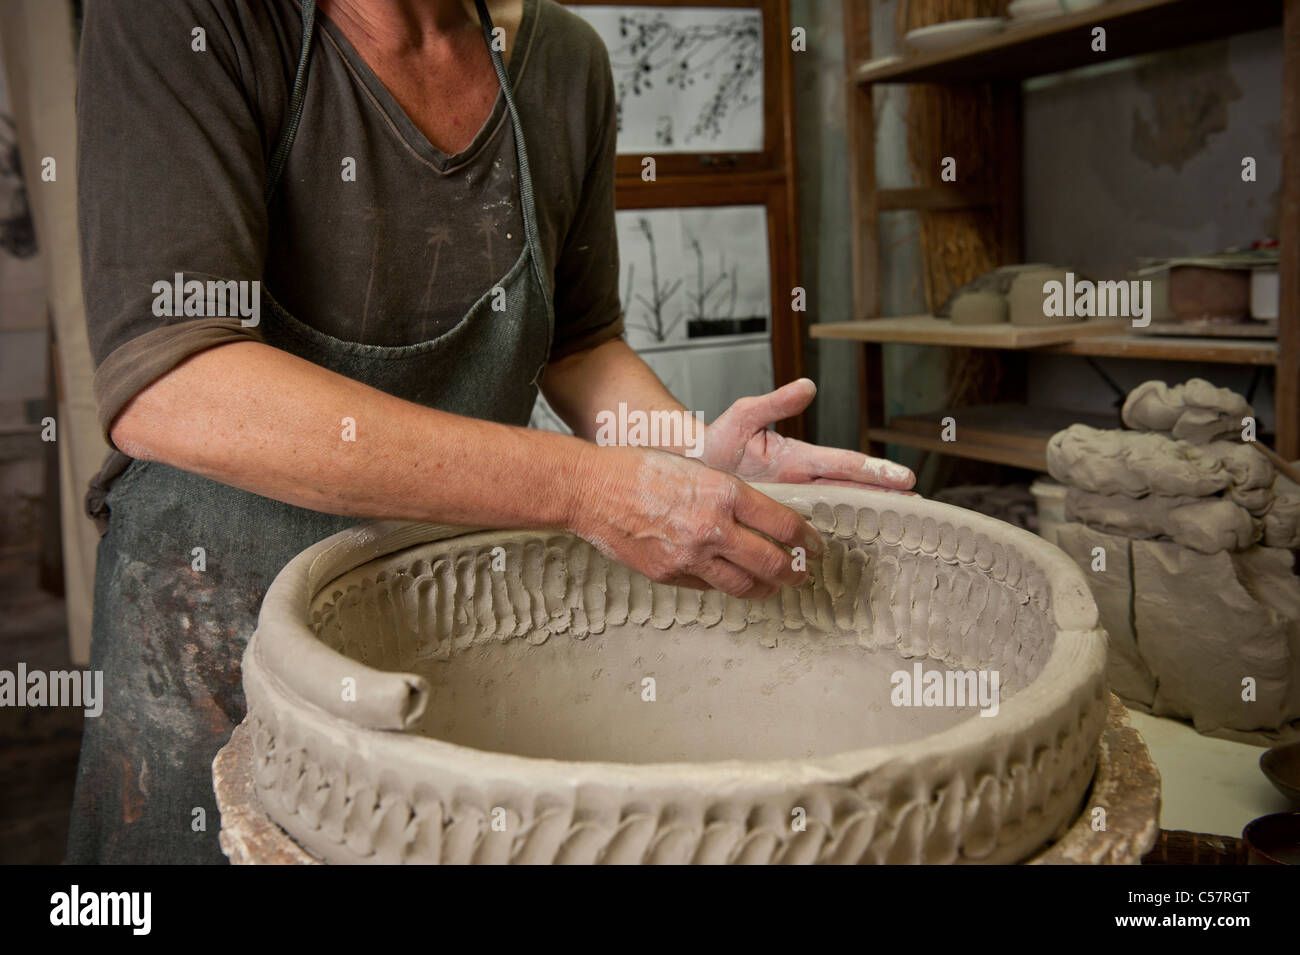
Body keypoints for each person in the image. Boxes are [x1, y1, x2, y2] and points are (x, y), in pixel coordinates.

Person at [68, 0, 915, 863]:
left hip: (439, 616)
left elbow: (581, 341)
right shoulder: (188, 18)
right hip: (212, 632)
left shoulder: (563, 61)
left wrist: (682, 449)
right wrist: (587, 487)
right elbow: (173, 380)